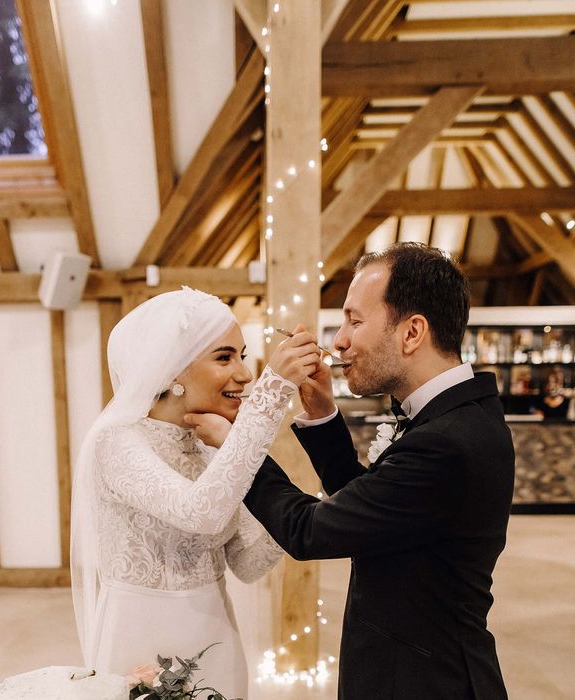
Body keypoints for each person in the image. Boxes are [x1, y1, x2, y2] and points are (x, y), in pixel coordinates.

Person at [198, 244, 514, 698]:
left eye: (354, 320)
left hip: (426, 682)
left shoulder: (448, 441)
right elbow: (370, 511)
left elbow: (309, 532)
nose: (339, 340)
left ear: (412, 333)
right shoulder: (453, 417)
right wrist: (324, 415)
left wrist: (237, 447)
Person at [70, 286, 320, 699]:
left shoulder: (211, 446)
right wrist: (270, 396)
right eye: (225, 357)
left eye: (243, 355)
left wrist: (314, 503)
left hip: (215, 635)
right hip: (142, 640)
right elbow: (199, 512)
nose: (245, 374)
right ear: (171, 371)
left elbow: (246, 564)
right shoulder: (116, 442)